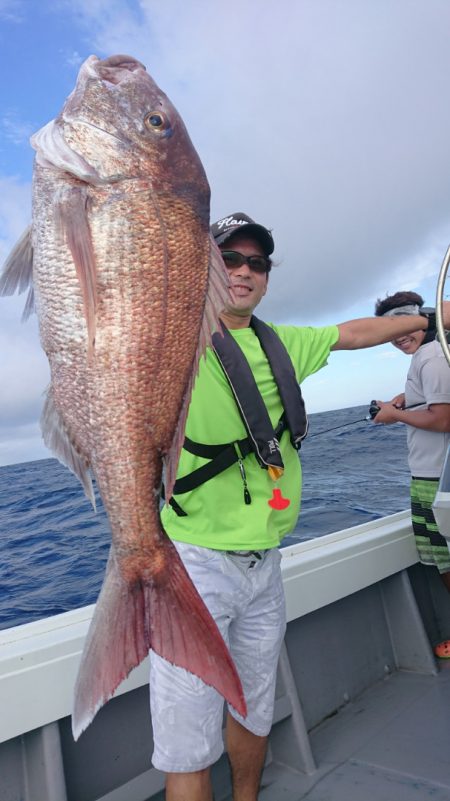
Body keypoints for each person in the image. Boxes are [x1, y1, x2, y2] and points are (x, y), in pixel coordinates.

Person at [149, 214, 444, 801]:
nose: (243, 271)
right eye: (228, 258)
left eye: (256, 263)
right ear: (202, 267)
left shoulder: (281, 342)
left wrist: (433, 317)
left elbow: (355, 333)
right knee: (189, 744)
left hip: (265, 566)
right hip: (191, 567)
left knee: (254, 711)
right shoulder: (169, 341)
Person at [373, 291, 450, 660]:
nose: (400, 334)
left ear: (421, 318)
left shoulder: (431, 357)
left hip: (434, 479)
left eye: (405, 323)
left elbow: (442, 418)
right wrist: (406, 398)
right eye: (392, 328)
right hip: (434, 476)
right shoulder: (433, 352)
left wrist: (394, 415)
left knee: (446, 559)